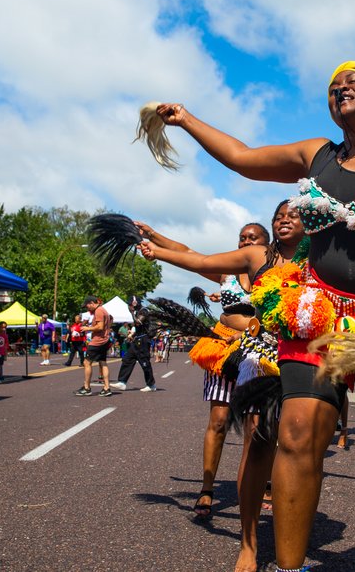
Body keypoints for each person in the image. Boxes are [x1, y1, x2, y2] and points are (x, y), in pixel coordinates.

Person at [152, 60, 355, 572]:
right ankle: (288, 568)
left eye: (354, 81)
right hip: (316, 319)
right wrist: (188, 119)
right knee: (298, 434)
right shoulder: (317, 156)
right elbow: (242, 157)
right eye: (333, 87)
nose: (340, 88)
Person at [139, 201, 306, 572]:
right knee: (253, 436)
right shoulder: (255, 258)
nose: (284, 219)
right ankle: (247, 541)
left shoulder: (319, 263)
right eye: (279, 215)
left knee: (295, 445)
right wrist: (157, 247)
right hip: (254, 355)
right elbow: (197, 258)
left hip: (300, 357)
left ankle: (289, 534)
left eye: (294, 215)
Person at [136, 219, 272, 522]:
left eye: (253, 238)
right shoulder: (226, 273)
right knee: (219, 420)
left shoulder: (274, 275)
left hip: (261, 356)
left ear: (266, 244)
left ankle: (261, 483)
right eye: (242, 238)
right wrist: (154, 237)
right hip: (223, 353)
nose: (246, 242)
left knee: (257, 427)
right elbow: (189, 253)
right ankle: (207, 488)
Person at [111, 298, 158, 392]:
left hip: (143, 340)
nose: (128, 306)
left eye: (130, 304)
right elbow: (138, 327)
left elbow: (138, 322)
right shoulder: (139, 312)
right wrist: (132, 334)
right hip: (137, 340)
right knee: (127, 359)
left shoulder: (143, 311)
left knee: (144, 362)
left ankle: (151, 384)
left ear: (134, 304)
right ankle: (122, 382)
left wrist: (132, 312)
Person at [76, 296, 113, 396]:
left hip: (98, 341)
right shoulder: (104, 310)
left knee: (87, 362)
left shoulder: (99, 311)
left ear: (92, 303)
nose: (87, 309)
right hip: (105, 340)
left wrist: (87, 328)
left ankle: (87, 388)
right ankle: (107, 388)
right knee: (103, 363)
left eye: (87, 306)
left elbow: (100, 327)